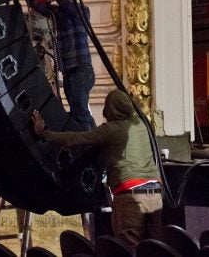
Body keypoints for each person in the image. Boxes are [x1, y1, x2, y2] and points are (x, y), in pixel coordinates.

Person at [32, 89, 162, 248]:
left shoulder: (111, 129)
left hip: (130, 198)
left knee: (130, 248)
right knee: (155, 248)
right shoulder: (143, 125)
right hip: (155, 194)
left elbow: (77, 138)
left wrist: (46, 134)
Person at [24, 0, 96, 130]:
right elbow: (34, 2)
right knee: (79, 113)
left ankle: (88, 145)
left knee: (81, 114)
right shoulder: (57, 13)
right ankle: (93, 139)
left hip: (81, 70)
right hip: (71, 72)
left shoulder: (82, 10)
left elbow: (66, 4)